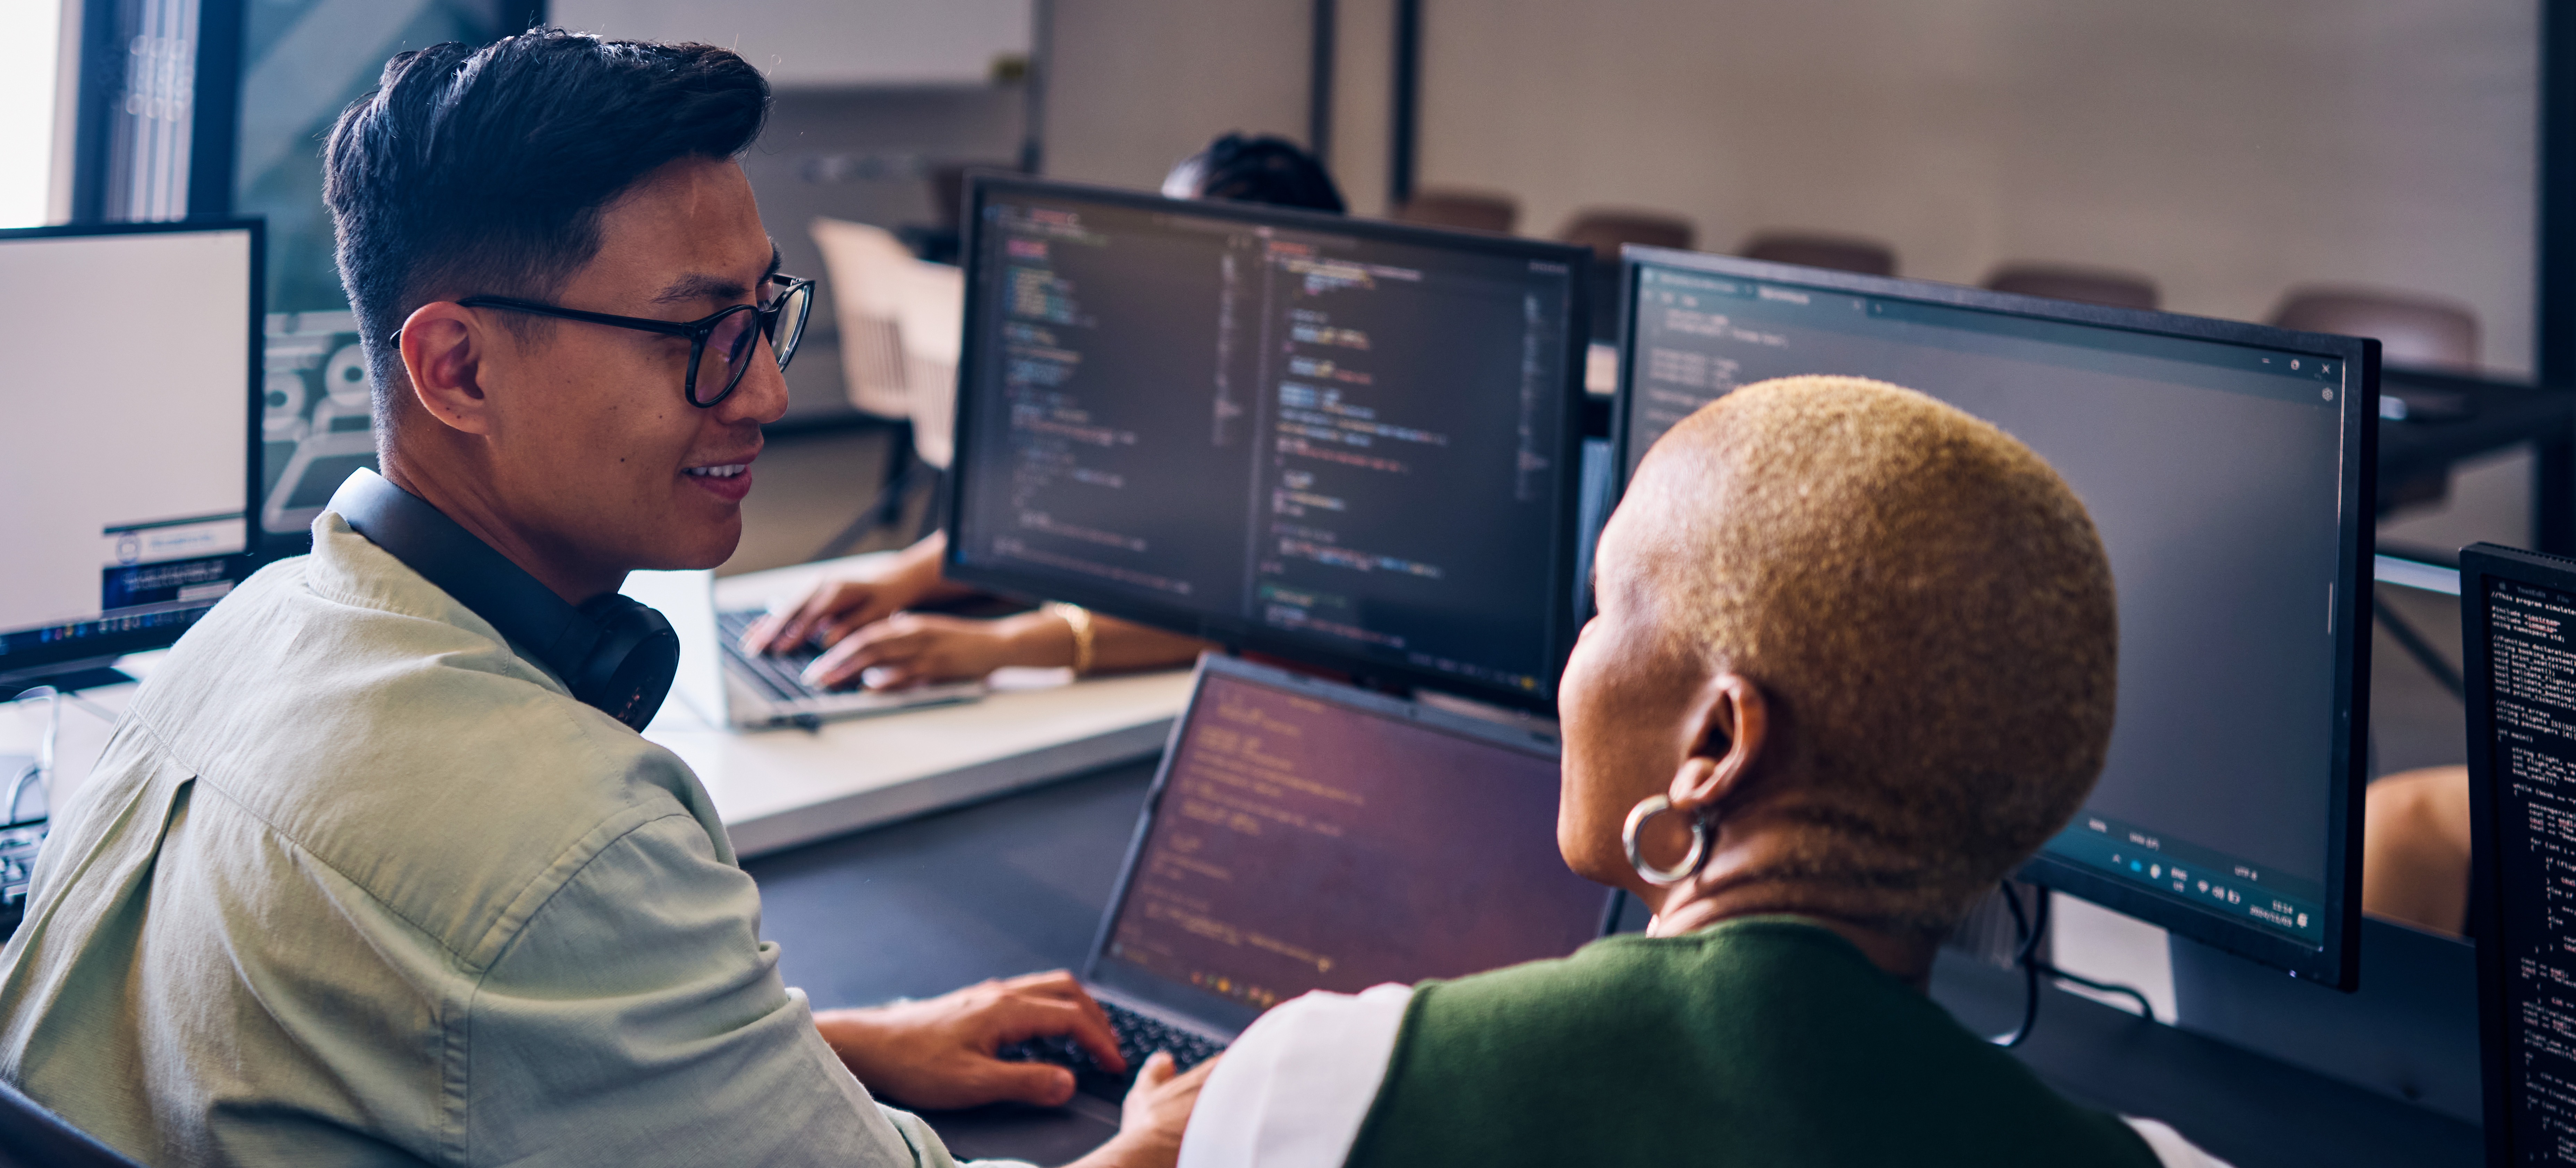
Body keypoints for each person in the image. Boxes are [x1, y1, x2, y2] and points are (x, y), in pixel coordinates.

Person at [0, 31, 1205, 1168]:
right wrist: (1152, 1144)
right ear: (459, 370)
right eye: (700, 332)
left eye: (763, 315)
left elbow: (402, 1034)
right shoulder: (564, 843)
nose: (767, 392)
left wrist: (819, 1047)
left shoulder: (248, 630)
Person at [1169, 376, 2233, 1167]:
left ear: (1715, 745)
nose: (1573, 660)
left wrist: (1143, 1150)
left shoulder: (1326, 1086)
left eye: (1602, 609)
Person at [745, 133, 1347, 689]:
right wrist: (896, 581)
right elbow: (1045, 528)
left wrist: (1003, 645)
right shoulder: (1163, 370)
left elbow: (1246, 618)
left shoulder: (1321, 425)